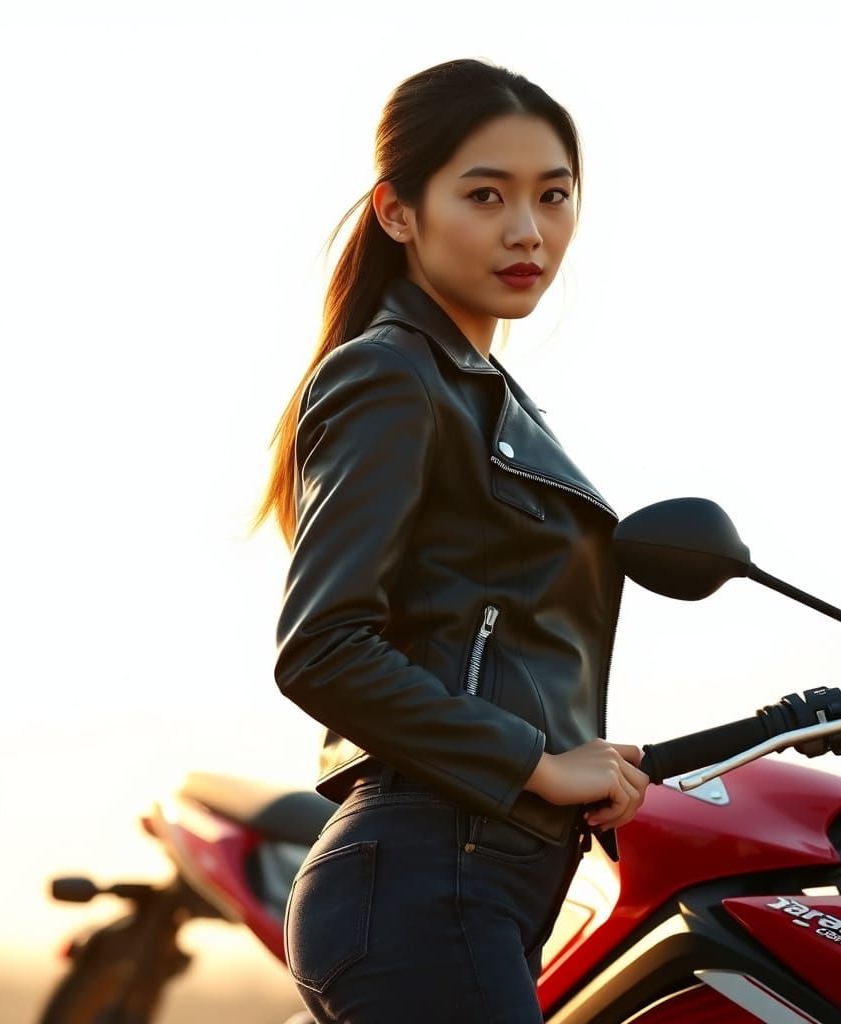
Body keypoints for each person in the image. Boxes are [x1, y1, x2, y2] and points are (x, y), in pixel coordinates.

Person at [254, 57, 650, 1023]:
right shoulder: (392, 377)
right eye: (486, 195)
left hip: (475, 881)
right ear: (399, 211)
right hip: (429, 878)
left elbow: (468, 631)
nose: (529, 230)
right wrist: (537, 761)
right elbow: (323, 648)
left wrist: (577, 750)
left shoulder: (486, 395)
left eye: (554, 196)